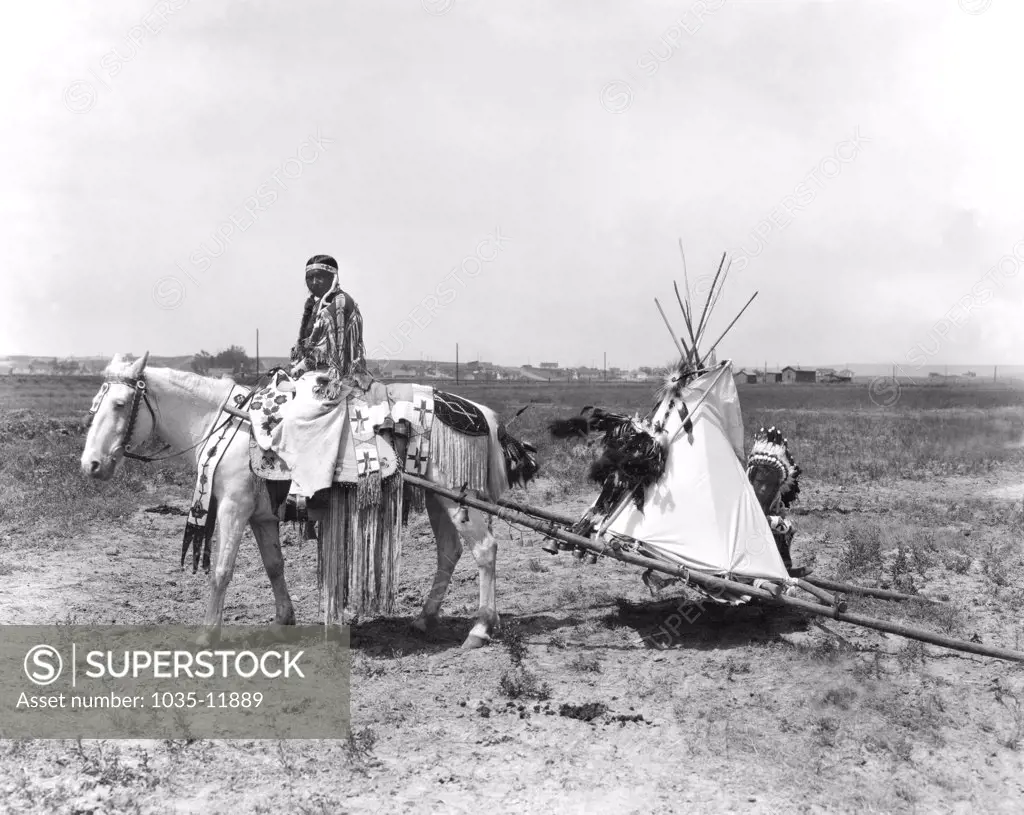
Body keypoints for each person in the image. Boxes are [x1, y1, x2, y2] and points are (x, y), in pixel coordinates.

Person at [290, 254, 369, 398]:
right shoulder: (316, 305)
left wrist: (302, 366)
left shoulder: (340, 302)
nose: (313, 282)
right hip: (314, 372)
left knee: (297, 413)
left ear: (333, 278)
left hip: (338, 376)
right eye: (309, 278)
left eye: (320, 277)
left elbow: (334, 355)